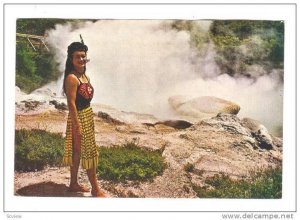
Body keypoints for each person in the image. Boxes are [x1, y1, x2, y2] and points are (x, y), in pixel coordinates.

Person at [62, 38, 105, 197]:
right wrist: (77, 126)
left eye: (83, 56)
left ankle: (73, 184)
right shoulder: (72, 78)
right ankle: (96, 189)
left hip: (87, 115)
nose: (81, 59)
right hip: (78, 117)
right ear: (71, 59)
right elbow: (71, 104)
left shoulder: (84, 76)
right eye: (77, 56)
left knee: (78, 151)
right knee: (88, 152)